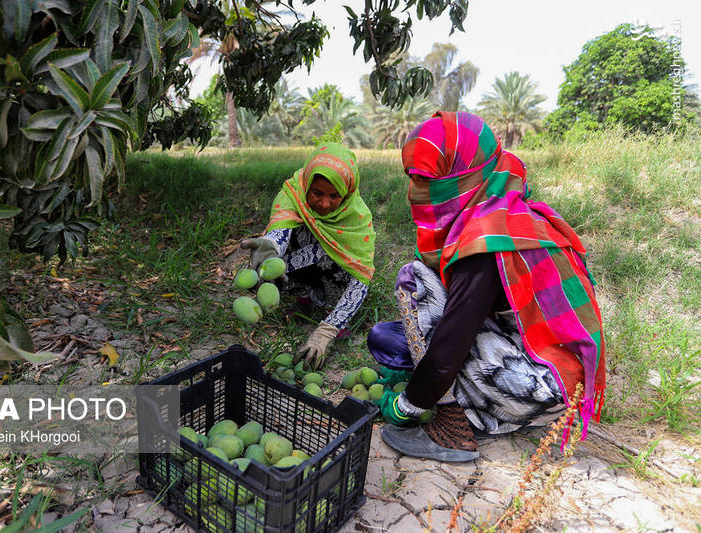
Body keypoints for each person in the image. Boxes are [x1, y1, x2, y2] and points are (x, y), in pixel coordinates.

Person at [369, 111, 606, 462]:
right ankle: (482, 411)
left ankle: (452, 429)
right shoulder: (509, 212)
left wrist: (408, 405)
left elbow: (451, 343)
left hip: (539, 389)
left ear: (464, 175)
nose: (418, 191)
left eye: (431, 179)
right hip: (560, 378)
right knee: (388, 338)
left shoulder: (485, 240)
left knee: (414, 280)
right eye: (415, 178)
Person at [241, 142, 376, 370]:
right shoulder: (293, 195)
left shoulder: (358, 219)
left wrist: (327, 331)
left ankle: (334, 313)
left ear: (348, 192)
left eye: (335, 196)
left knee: (327, 252)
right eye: (317, 193)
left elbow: (361, 280)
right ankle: (304, 298)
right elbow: (282, 232)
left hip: (334, 280)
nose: (325, 203)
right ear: (306, 185)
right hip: (303, 269)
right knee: (277, 261)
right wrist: (271, 246)